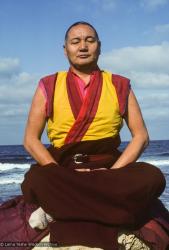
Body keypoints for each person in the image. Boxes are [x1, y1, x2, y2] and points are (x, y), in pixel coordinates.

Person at [21, 21, 168, 250]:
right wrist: (56, 171)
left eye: (89, 41)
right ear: (65, 49)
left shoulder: (119, 85)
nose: (83, 46)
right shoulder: (48, 84)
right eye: (75, 41)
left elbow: (141, 136)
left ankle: (56, 207)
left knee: (153, 176)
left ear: (99, 47)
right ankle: (105, 208)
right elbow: (30, 139)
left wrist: (110, 173)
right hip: (62, 169)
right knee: (36, 180)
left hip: (108, 168)